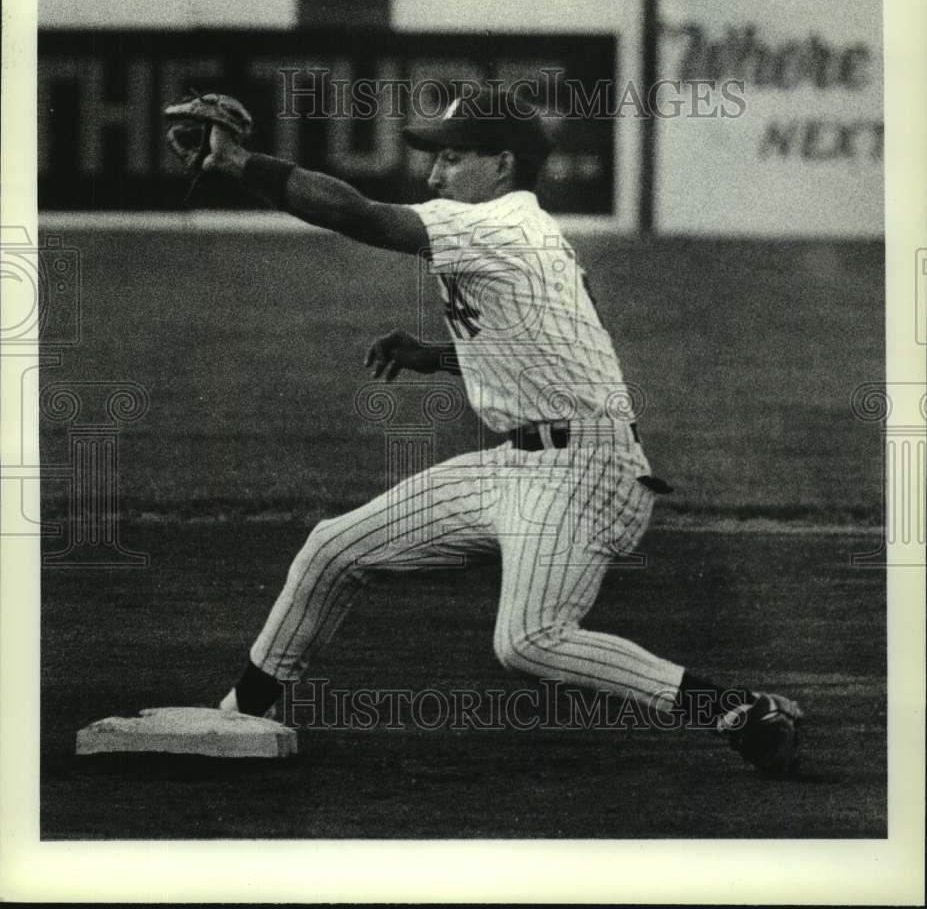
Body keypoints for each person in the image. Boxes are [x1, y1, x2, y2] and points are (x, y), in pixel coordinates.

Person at [171, 84, 803, 778]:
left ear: (501, 164)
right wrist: (438, 355)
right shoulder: (527, 233)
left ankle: (733, 710)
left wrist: (239, 164)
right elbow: (553, 341)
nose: (434, 173)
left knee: (530, 642)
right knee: (333, 548)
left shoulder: (500, 225)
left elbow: (359, 215)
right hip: (522, 464)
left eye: (451, 158)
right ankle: (245, 710)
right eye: (434, 159)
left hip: (583, 472)